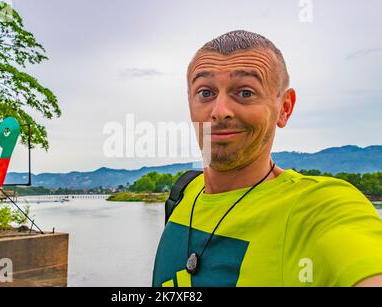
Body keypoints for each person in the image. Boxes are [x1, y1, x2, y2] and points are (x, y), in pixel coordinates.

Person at [152, 30, 382, 287]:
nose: (219, 112)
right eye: (206, 93)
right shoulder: (183, 193)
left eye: (245, 92)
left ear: (285, 108)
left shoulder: (317, 208)